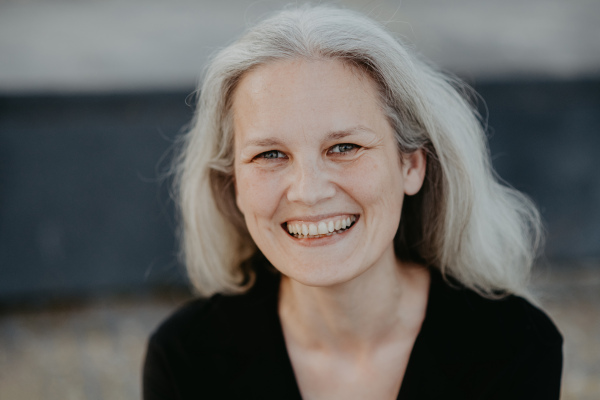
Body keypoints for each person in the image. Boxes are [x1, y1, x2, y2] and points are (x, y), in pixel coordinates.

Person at [143, 5, 563, 399]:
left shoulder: (514, 346)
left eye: (344, 147)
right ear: (233, 182)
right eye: (270, 155)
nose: (308, 191)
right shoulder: (186, 359)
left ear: (411, 166)